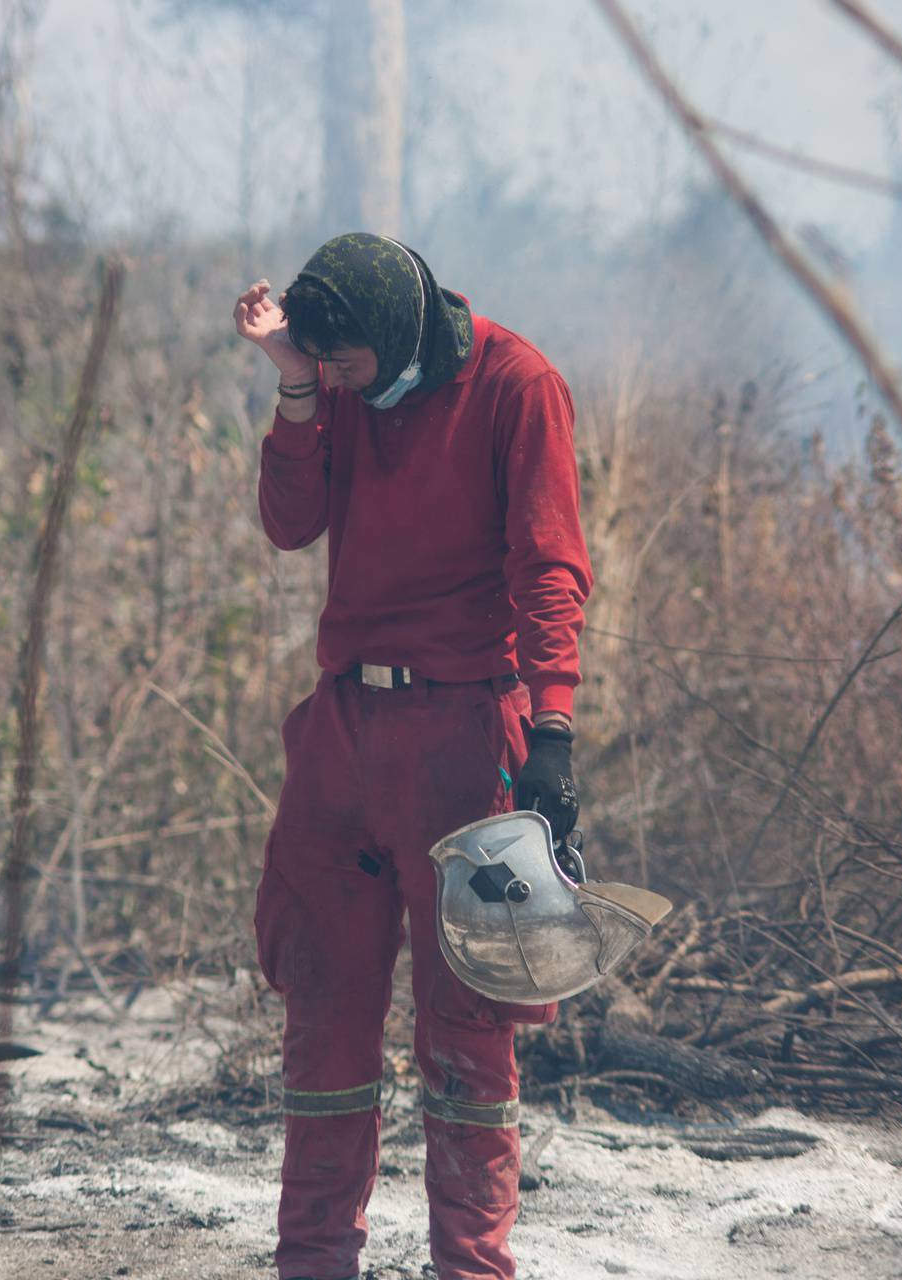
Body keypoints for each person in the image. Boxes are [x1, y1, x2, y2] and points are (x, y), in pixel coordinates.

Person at [232, 232, 592, 1280]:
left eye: (339, 362)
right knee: (324, 1010)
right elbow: (290, 523)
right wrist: (297, 387)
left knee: (470, 1029)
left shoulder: (517, 387)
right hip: (343, 735)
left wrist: (554, 731)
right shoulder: (336, 382)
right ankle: (312, 1264)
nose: (333, 377)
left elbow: (550, 567)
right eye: (323, 361)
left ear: (392, 338)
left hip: (467, 737)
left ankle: (471, 1267)